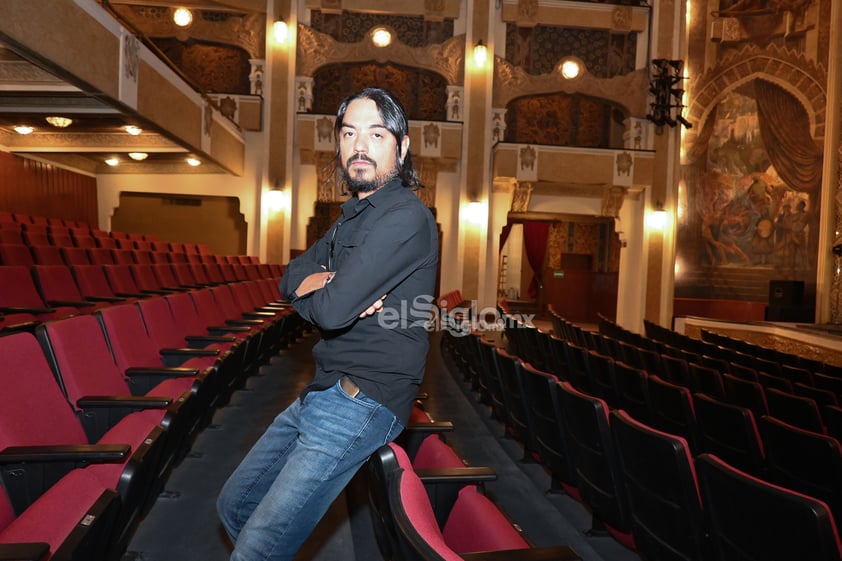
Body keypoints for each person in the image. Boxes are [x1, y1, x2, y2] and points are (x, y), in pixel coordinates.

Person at [216, 87, 439, 561]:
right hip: (324, 390)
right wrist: (329, 286)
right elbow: (290, 277)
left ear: (399, 148)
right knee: (233, 506)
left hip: (362, 401)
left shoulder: (406, 218)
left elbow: (333, 312)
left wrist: (328, 293)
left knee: (254, 550)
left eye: (376, 134)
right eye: (349, 133)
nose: (360, 145)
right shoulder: (349, 218)